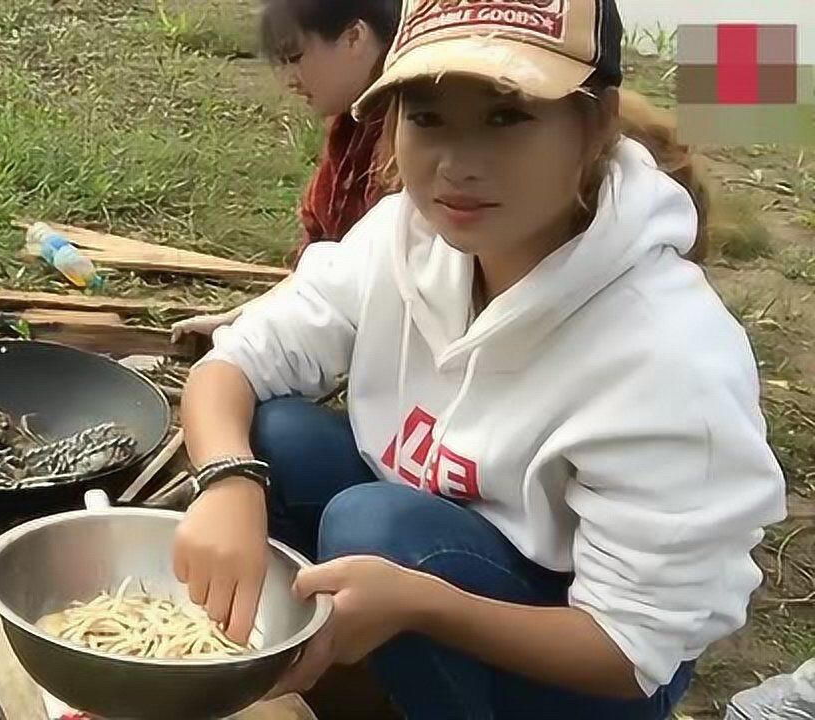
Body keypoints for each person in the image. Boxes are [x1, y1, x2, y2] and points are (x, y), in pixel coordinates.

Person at [172, 0, 789, 717]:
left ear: (593, 126)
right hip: (436, 541)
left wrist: (424, 607)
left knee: (377, 528)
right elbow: (233, 365)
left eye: (507, 116)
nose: (458, 166)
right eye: (428, 118)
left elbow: (630, 652)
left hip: (584, 661)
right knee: (274, 438)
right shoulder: (403, 237)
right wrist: (227, 483)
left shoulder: (670, 355)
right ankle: (349, 674)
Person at [171, 0, 404, 342]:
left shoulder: (405, 139)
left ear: (354, 37)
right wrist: (243, 319)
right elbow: (327, 265)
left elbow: (375, 277)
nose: (289, 81)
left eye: (295, 58)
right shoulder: (350, 128)